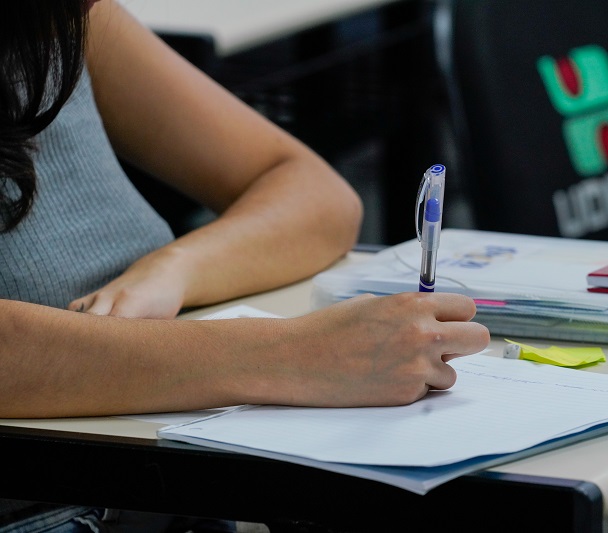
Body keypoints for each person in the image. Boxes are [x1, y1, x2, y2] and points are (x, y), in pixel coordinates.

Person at [0, 1, 490, 531]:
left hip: (167, 480)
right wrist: (302, 356)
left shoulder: (57, 18)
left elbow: (318, 196)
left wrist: (173, 266)